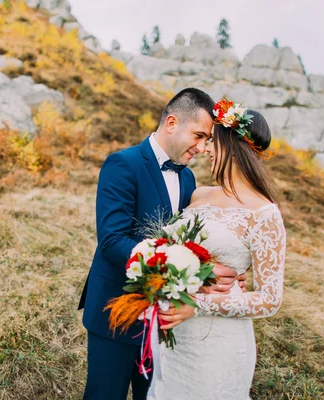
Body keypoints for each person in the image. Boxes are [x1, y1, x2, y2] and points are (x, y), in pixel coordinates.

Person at [78, 88, 246, 400]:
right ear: (171, 123)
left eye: (207, 140)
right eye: (198, 136)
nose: (201, 147)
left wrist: (221, 272)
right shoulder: (122, 164)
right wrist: (179, 265)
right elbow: (113, 242)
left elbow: (189, 240)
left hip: (166, 319)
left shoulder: (187, 180)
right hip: (116, 310)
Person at [147, 103, 286, 400]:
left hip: (217, 343)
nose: (206, 148)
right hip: (174, 334)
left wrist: (197, 305)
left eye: (213, 141)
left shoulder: (264, 213)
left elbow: (270, 300)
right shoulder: (199, 194)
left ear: (233, 147)